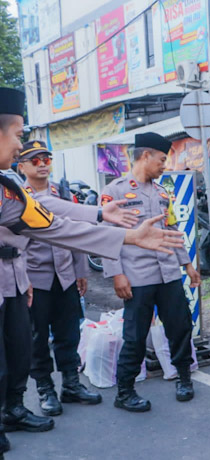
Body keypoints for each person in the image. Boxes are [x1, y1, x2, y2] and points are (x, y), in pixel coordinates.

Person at [0, 87, 184, 455]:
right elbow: (53, 223)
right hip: (26, 281)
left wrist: (103, 217)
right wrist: (127, 237)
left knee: (41, 346)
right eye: (19, 137)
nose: (23, 150)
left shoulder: (10, 186)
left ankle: (29, 402)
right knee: (27, 351)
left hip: (42, 281)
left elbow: (50, 214)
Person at [101, 132, 201, 413]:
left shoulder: (161, 192)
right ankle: (125, 390)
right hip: (137, 276)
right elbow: (107, 235)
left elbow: (171, 230)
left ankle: (183, 377)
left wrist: (188, 265)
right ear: (145, 156)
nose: (164, 165)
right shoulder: (115, 191)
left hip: (168, 273)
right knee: (134, 335)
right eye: (161, 159)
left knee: (180, 327)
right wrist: (116, 274)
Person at [18, 141, 102, 417]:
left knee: (69, 333)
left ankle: (71, 385)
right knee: (37, 337)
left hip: (65, 276)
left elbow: (74, 232)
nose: (42, 164)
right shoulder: (17, 196)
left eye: (46, 159)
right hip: (35, 280)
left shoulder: (61, 192)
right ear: (22, 167)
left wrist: (81, 272)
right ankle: (45, 389)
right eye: (35, 160)